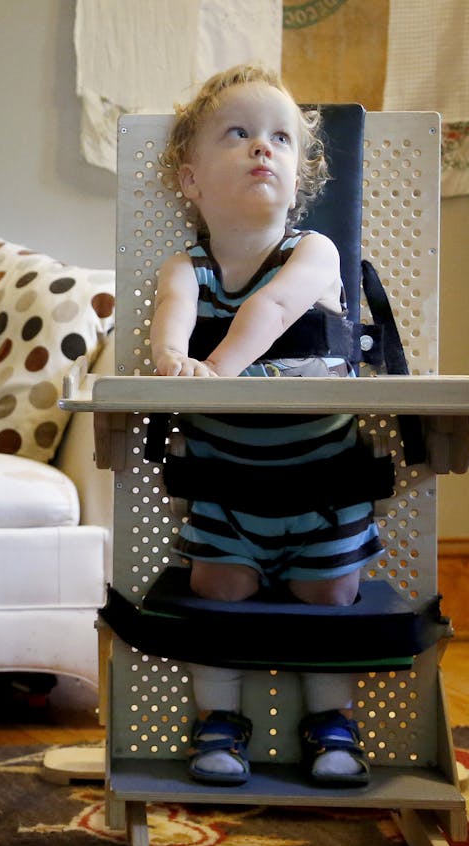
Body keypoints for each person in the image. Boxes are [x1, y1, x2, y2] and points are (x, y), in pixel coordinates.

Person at [151, 63, 382, 787]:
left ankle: (331, 725)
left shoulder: (314, 253)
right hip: (227, 491)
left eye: (280, 138)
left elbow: (273, 313)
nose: (263, 148)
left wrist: (212, 371)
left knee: (331, 597)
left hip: (325, 487)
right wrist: (167, 362)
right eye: (239, 134)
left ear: (299, 173)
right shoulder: (185, 268)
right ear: (191, 182)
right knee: (216, 591)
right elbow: (167, 333)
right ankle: (218, 722)